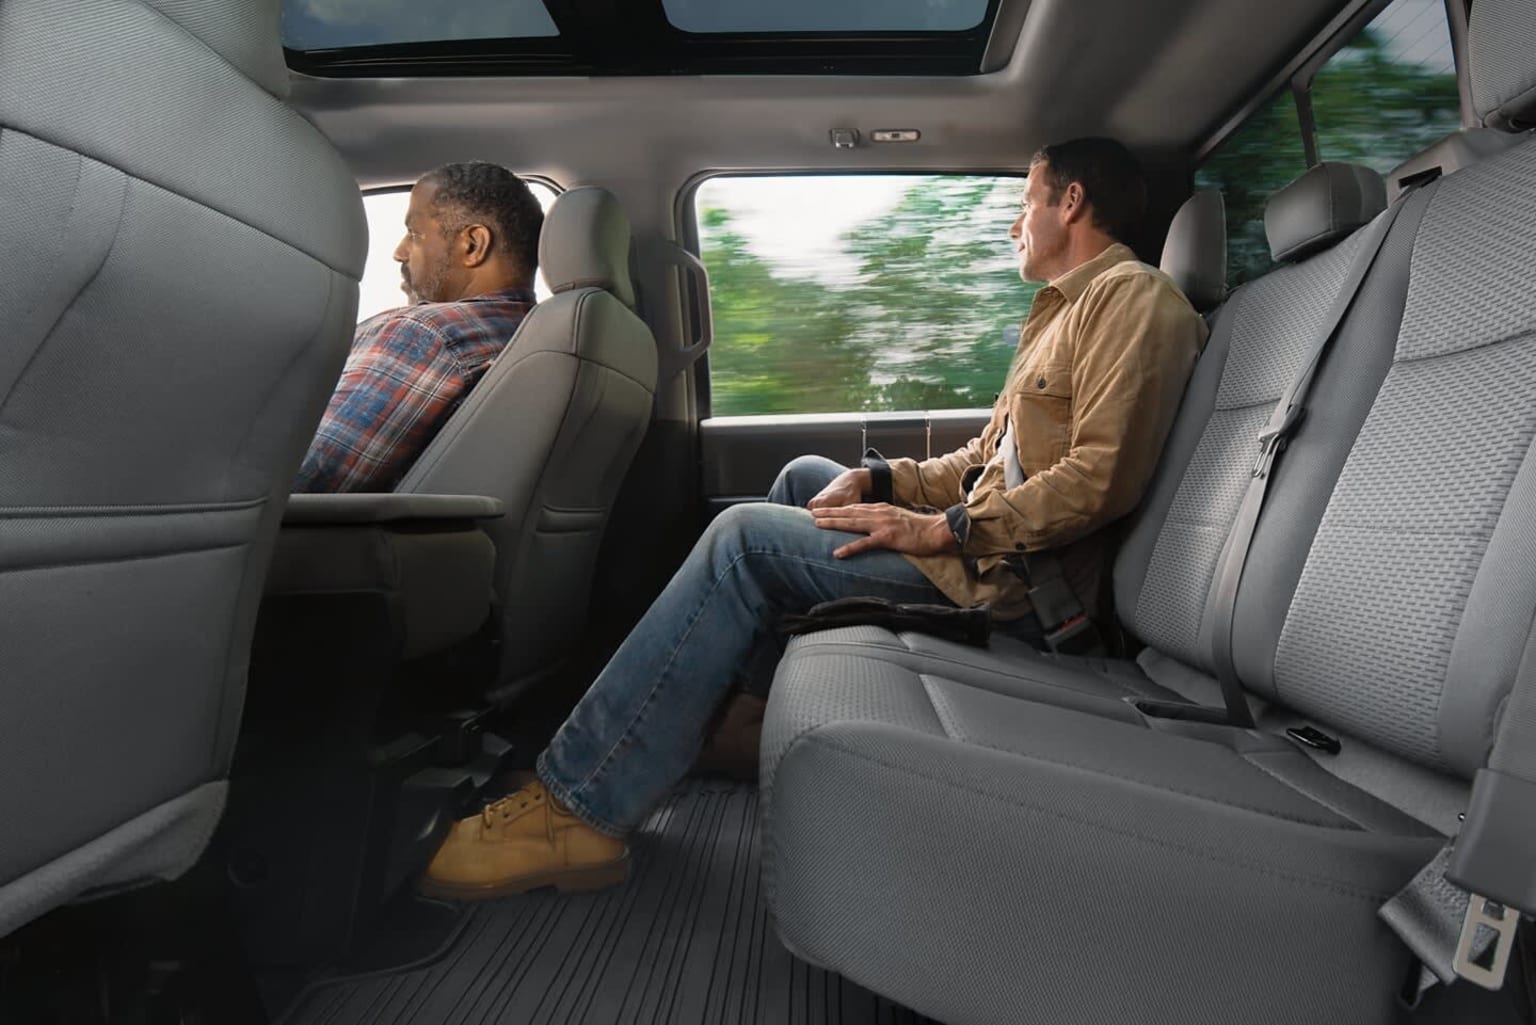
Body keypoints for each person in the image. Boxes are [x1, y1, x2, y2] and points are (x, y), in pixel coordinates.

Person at [420, 137, 1209, 900]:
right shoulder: (1059, 315)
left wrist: (945, 529)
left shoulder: (1133, 300)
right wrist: (881, 478)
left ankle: (579, 809)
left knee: (741, 543)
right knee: (807, 477)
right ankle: (723, 718)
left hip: (1019, 592)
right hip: (987, 555)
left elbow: (1099, 477)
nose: (1014, 223)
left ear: (1071, 201)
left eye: (1026, 200)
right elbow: (982, 460)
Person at [294, 162, 544, 492]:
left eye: (414, 234)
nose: (399, 252)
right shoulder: (535, 335)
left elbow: (306, 482)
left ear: (472, 244)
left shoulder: (425, 335)